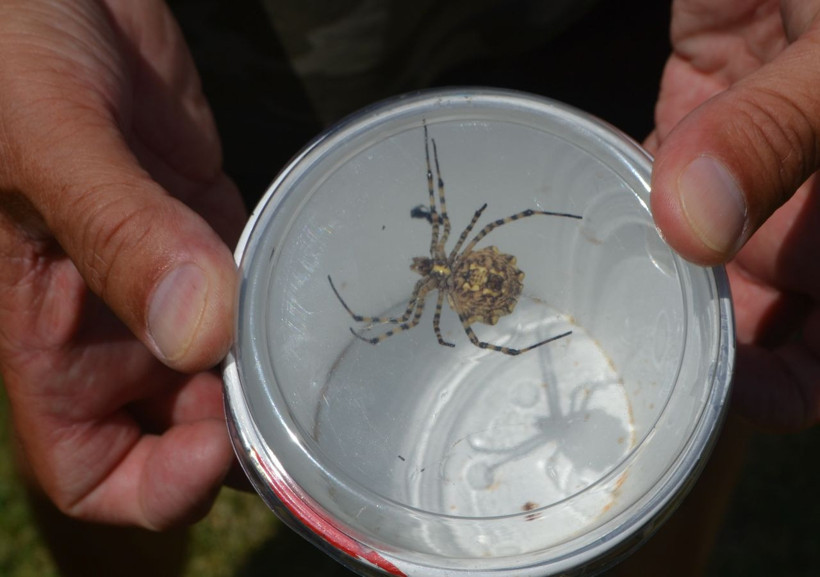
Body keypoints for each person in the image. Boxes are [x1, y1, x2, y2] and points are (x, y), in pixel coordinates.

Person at [0, 0, 818, 569]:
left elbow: (489, 224)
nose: (425, 256)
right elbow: (452, 301)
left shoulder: (445, 261)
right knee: (123, 369)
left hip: (599, 37)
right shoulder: (442, 277)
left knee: (696, 329)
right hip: (239, 65)